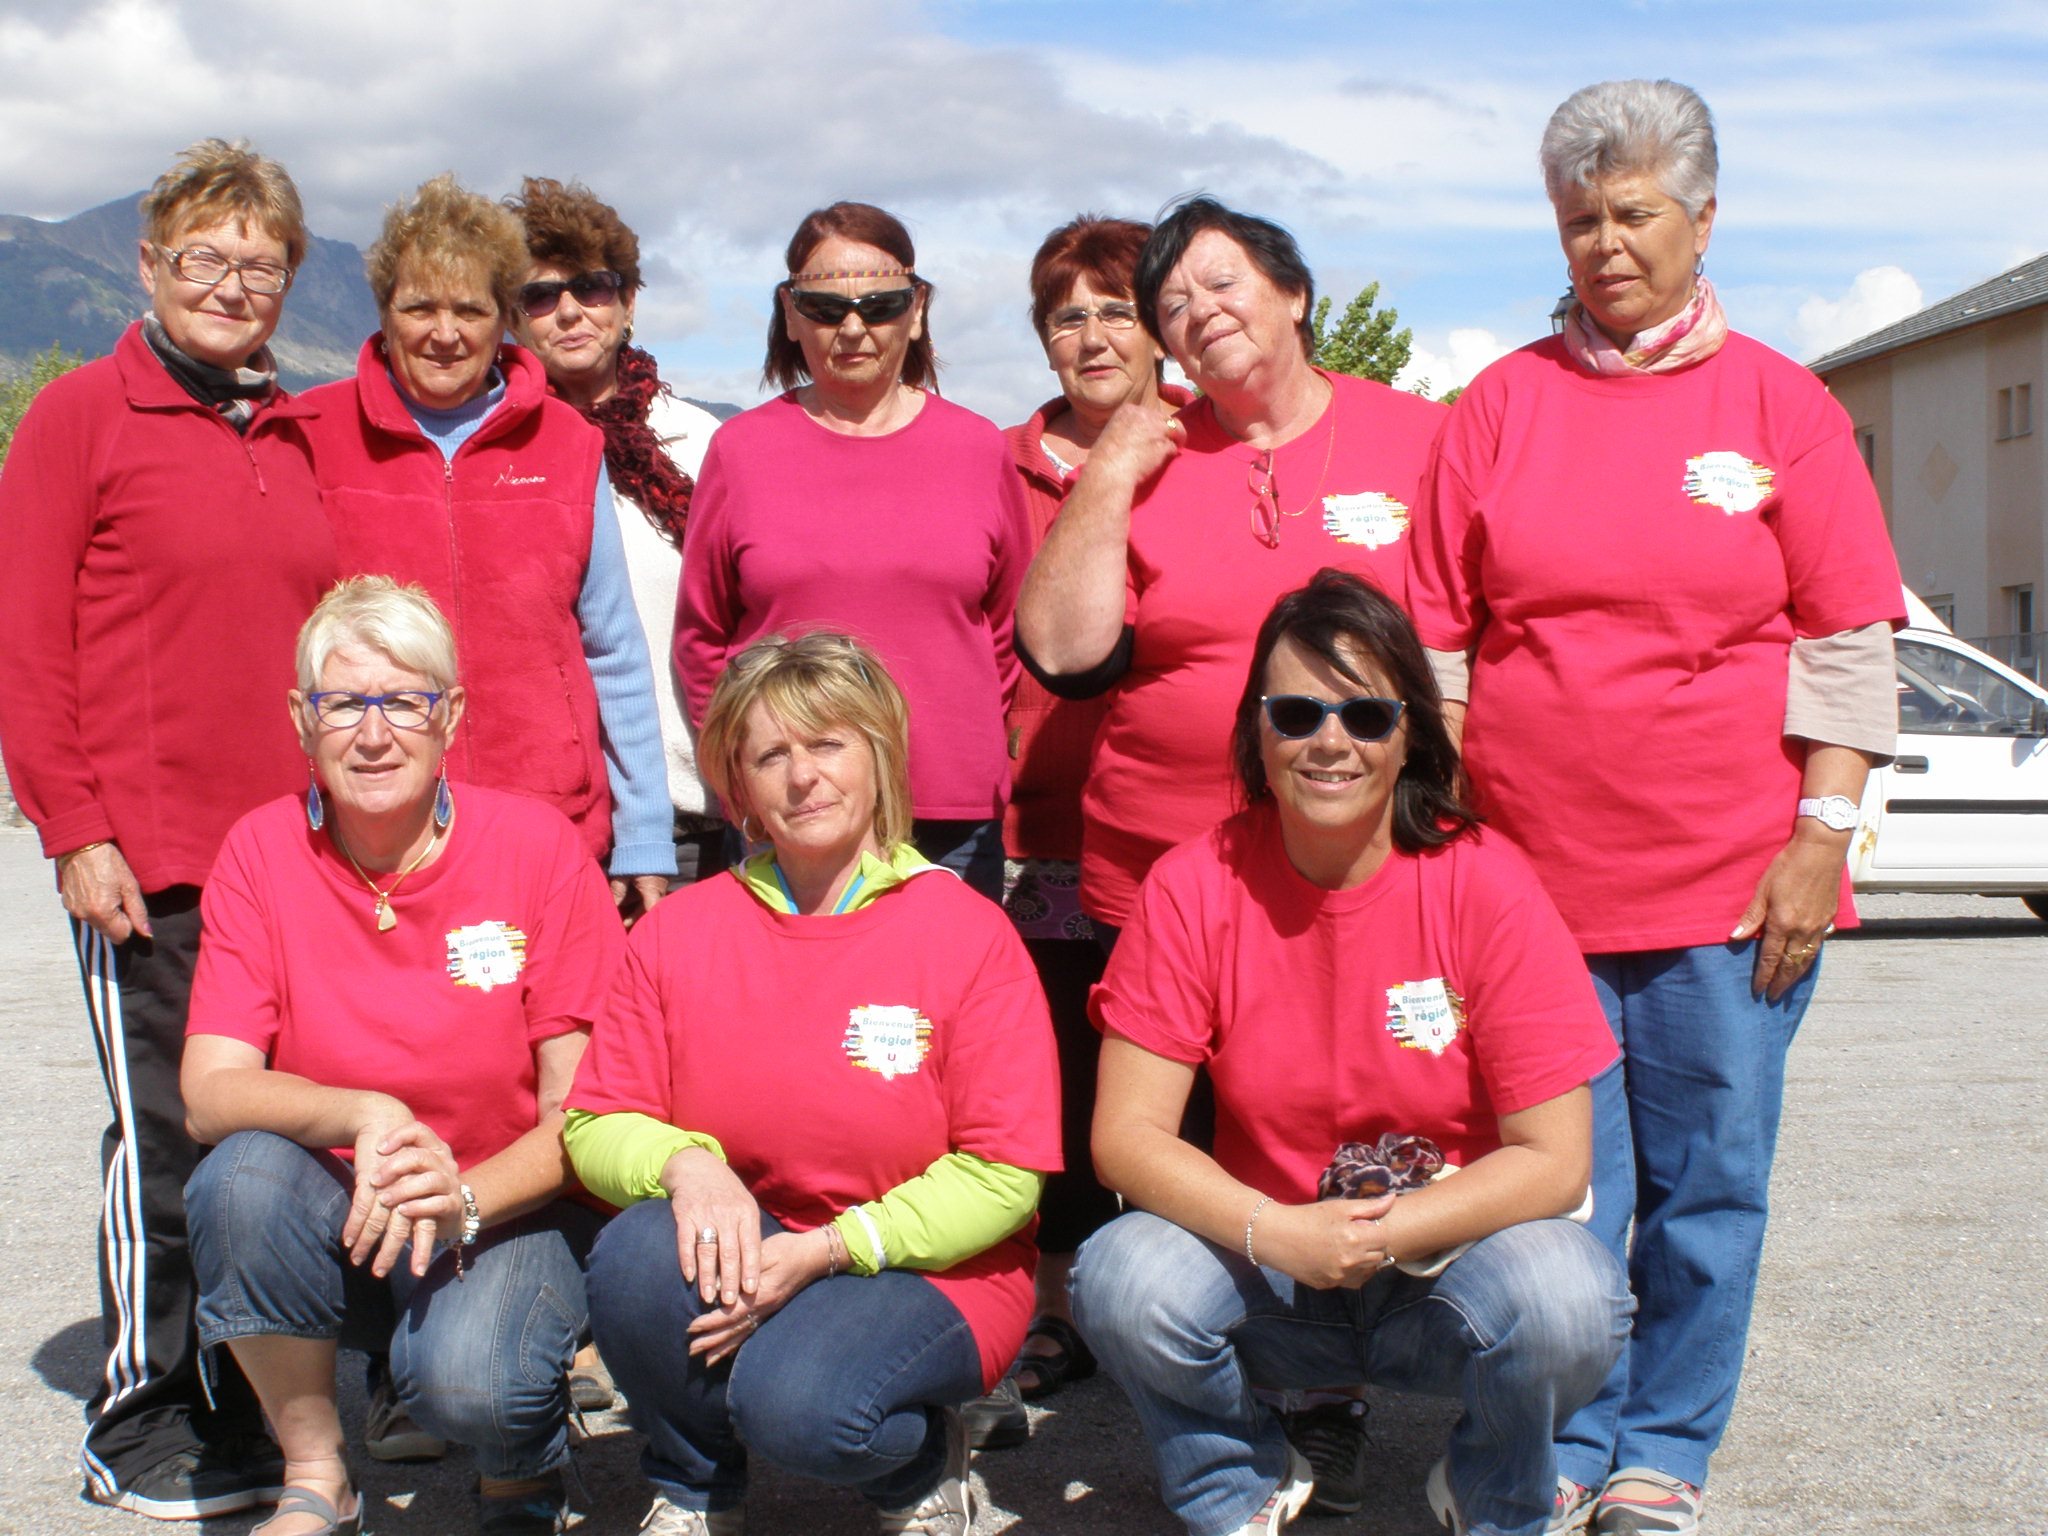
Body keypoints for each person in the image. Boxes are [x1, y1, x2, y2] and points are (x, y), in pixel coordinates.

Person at [1404, 80, 1904, 1536]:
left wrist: (1823, 838)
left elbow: (1846, 641)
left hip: (1732, 889)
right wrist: (1446, 847)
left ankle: (1660, 1455)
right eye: (1580, 220)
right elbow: (1437, 650)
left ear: (1701, 219)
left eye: (1634, 214)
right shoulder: (1497, 406)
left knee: (1707, 1194)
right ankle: (1562, 1441)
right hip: (1529, 895)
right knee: (1560, 1210)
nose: (1606, 244)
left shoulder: (1782, 408)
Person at [1069, 570, 1631, 1536]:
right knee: (1120, 1275)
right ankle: (1237, 1492)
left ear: (1411, 730)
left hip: (1442, 1269)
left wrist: (1381, 1234)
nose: (1331, 742)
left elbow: (1555, 1159)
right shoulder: (1192, 884)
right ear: (1256, 731)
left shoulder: (1487, 882)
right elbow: (1124, 1138)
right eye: (1297, 713)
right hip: (1270, 1261)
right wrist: (1277, 1232)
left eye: (1367, 716)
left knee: (1572, 1300)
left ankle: (1494, 1497)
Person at [0, 138, 335, 1519]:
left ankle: (258, 1401)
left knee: (273, 1153)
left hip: (297, 859)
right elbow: (25, 643)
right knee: (175, 1144)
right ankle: (144, 1414)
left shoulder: (298, 425)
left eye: (262, 266)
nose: (233, 285)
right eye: (205, 258)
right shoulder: (82, 414)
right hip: (153, 859)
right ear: (149, 267)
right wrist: (74, 826)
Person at [564, 632, 1061, 1536]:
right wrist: (686, 1166)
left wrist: (830, 1250)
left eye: (829, 742)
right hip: (753, 1240)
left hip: (929, 1270)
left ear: (879, 754)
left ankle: (918, 1472)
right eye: (772, 754)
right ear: (739, 785)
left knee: (797, 1407)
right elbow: (596, 1124)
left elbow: (1003, 1176)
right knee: (636, 1256)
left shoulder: (968, 933)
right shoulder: (679, 930)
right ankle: (690, 1487)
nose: (804, 776)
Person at [181, 576, 626, 1536]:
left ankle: (522, 1480)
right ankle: (315, 1472)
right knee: (236, 1180)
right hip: (337, 1215)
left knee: (470, 1385)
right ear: (303, 720)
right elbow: (210, 1092)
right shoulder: (260, 852)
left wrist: (459, 1197)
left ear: (451, 715)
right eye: (343, 703)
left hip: (506, 1209)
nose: (372, 734)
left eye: (404, 701)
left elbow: (583, 1113)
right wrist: (365, 1111)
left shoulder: (538, 851)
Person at [1015, 196, 1445, 939]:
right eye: (1174, 305)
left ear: (1293, 292)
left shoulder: (1428, 439)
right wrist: (1108, 472)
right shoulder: (1144, 460)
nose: (1201, 311)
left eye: (1222, 284)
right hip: (1160, 875)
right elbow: (1061, 652)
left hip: (1370, 869)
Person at [299, 173, 676, 920]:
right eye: (420, 307)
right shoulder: (310, 433)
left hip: (548, 826)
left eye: (470, 309)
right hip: (368, 833)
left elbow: (615, 649)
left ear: (504, 317)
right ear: (383, 312)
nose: (446, 332)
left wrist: (643, 834)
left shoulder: (568, 444)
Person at [673, 202, 1031, 899]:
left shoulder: (978, 448)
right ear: (791, 313)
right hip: (790, 809)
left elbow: (1008, 632)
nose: (854, 328)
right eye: (826, 307)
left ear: (917, 309)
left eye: (881, 305)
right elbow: (702, 638)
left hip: (948, 814)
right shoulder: (742, 450)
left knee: (943, 1005)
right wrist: (743, 779)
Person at [986, 214, 1191, 1431]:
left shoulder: (1201, 447)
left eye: (1116, 308)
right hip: (1031, 824)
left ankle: (1183, 1297)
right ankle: (1059, 1304)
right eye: (1067, 314)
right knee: (1053, 1075)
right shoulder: (995, 462)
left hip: (1175, 831)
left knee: (1186, 1075)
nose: (1093, 333)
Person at [505, 176, 727, 883]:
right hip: (550, 823)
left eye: (593, 287)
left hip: (702, 814)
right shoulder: (500, 450)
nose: (569, 311)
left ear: (629, 302)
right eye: (540, 296)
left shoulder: (702, 442)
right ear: (513, 320)